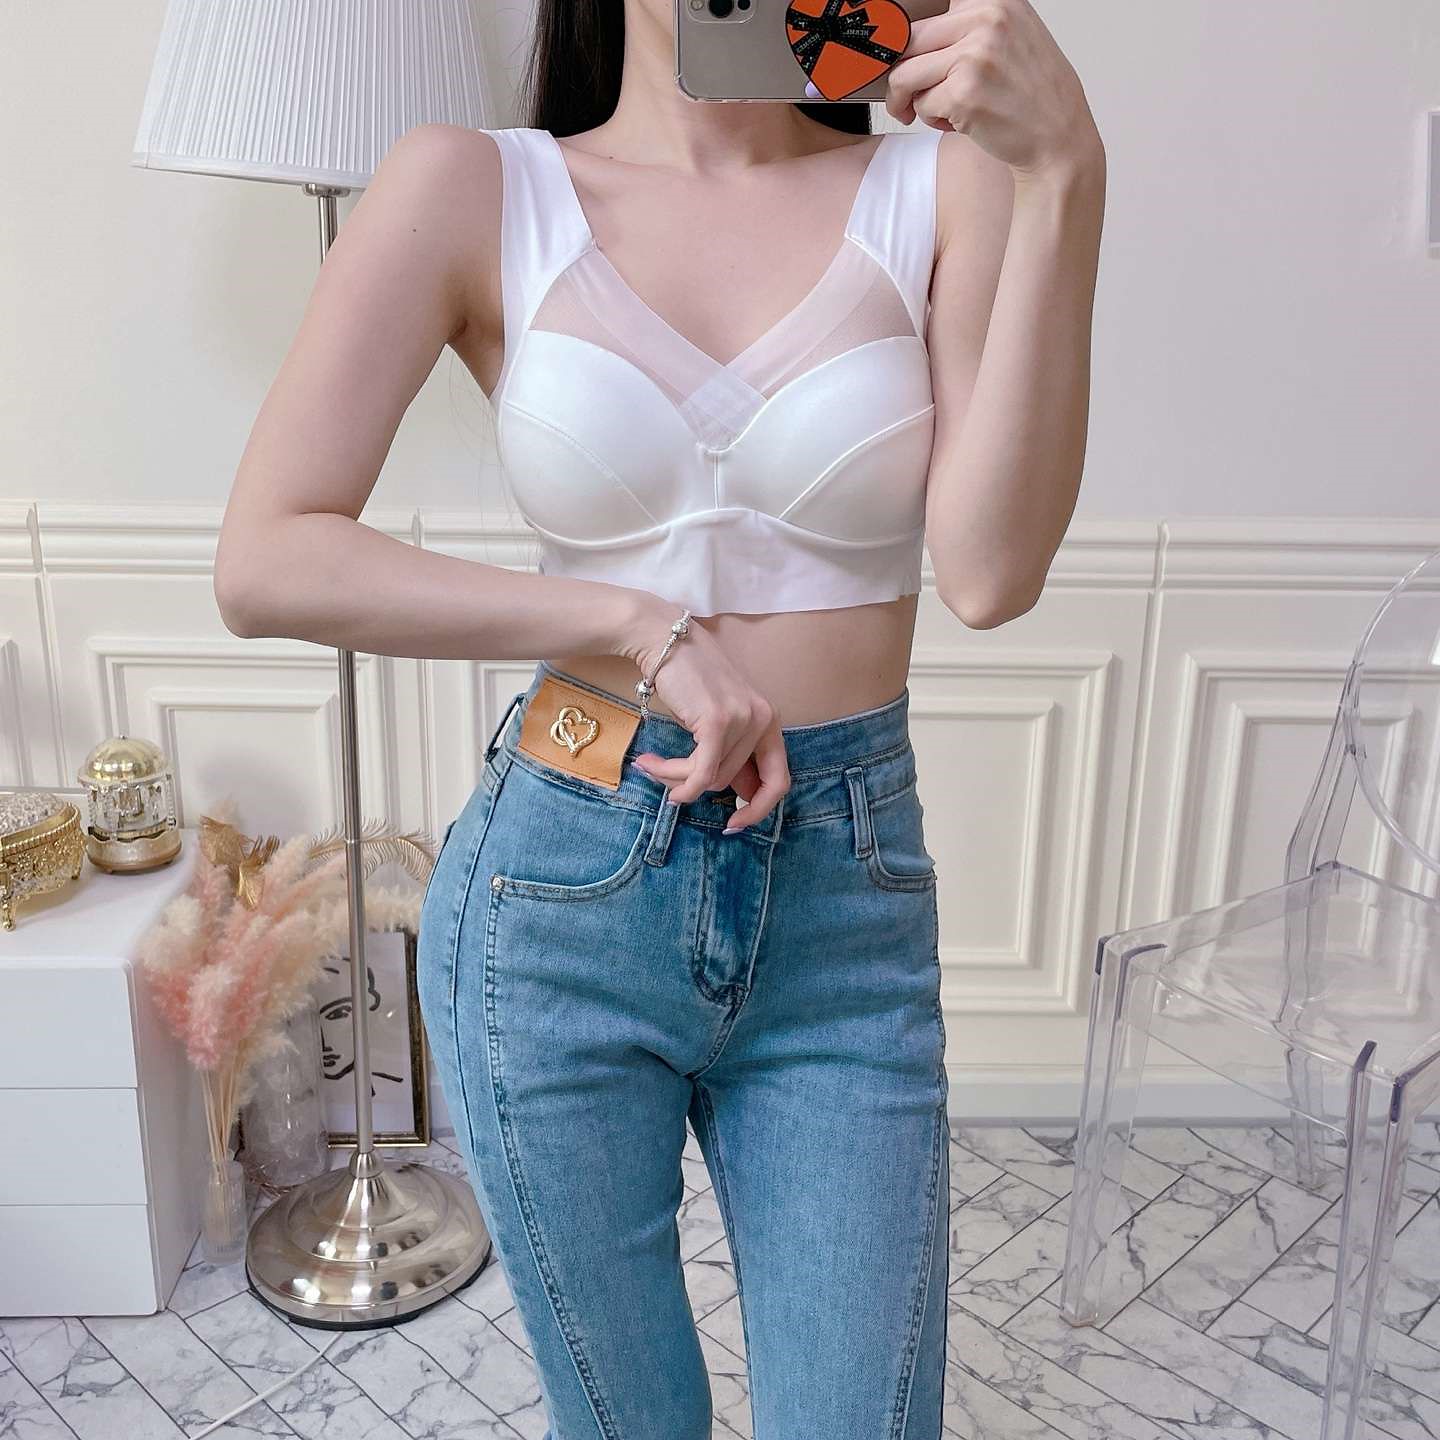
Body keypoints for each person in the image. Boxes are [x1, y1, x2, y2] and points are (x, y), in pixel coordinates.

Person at [214, 0, 1104, 1433]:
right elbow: (265, 560)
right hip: (559, 877)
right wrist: (634, 623)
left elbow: (992, 574)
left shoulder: (940, 185)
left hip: (839, 895)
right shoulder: (475, 186)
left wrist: (1067, 174)